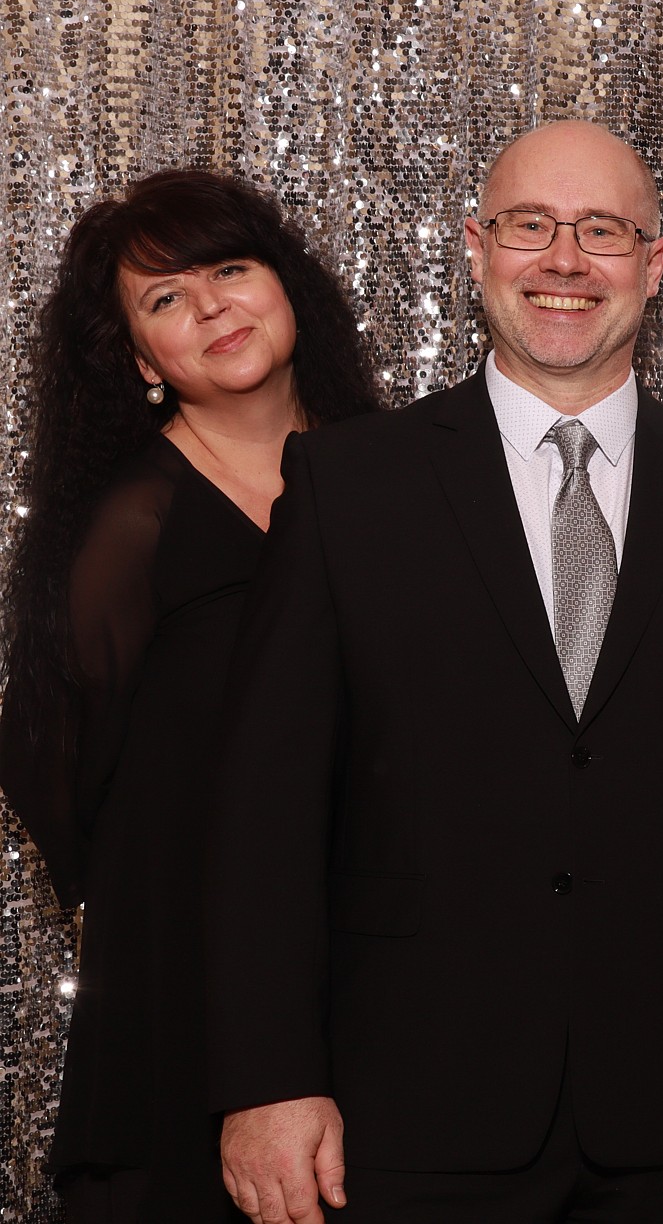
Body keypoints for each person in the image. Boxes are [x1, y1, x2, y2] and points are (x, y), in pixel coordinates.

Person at [205, 120, 663, 1223]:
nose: (564, 260)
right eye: (529, 226)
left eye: (603, 231)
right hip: (407, 1096)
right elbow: (263, 808)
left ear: (655, 264)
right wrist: (268, 1076)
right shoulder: (345, 485)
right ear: (476, 249)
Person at [0, 169, 382, 1222]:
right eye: (166, 297)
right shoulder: (132, 525)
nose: (212, 306)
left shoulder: (398, 482)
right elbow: (50, 760)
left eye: (229, 268)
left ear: (285, 285)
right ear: (139, 359)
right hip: (184, 993)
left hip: (382, 972)